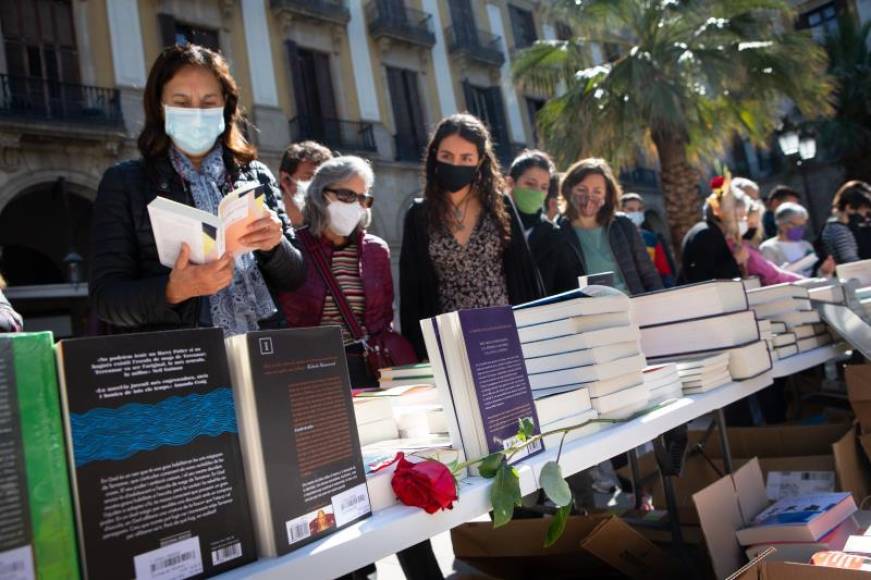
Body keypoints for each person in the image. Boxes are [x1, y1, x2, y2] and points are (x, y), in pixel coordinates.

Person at [90, 44, 304, 335]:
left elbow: (295, 277)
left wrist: (275, 246)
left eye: (207, 102)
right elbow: (106, 299)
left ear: (225, 106)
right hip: (183, 362)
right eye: (181, 102)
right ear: (160, 107)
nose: (196, 113)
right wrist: (173, 290)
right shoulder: (125, 183)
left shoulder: (257, 176)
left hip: (262, 350)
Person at [400, 113, 544, 359]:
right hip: (450, 345)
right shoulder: (419, 215)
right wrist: (421, 353)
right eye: (447, 156)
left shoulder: (501, 207)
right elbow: (412, 293)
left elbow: (524, 274)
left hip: (506, 336)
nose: (455, 164)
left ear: (479, 161)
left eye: (466, 158)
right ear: (434, 156)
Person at [277, 156, 392, 388]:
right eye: (347, 195)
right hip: (311, 372)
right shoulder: (293, 247)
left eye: (363, 198)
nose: (356, 205)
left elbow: (384, 322)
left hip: (366, 369)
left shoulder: (376, 251)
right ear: (321, 194)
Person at [530, 158, 662, 296]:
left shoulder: (623, 226)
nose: (589, 197)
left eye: (597, 191)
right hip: (587, 314)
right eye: (582, 190)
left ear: (607, 194)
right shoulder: (556, 233)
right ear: (569, 190)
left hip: (632, 310)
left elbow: (650, 277)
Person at [760, 202, 834, 277]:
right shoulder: (768, 248)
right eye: (797, 225)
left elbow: (814, 275)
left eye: (802, 226)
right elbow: (770, 278)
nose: (800, 229)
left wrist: (824, 271)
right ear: (781, 224)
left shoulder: (806, 245)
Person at [620, 193, 676, 287]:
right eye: (631, 210)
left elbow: (664, 272)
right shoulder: (612, 238)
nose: (636, 213)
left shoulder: (651, 238)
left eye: (639, 209)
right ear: (620, 211)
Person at [278, 140, 333, 226]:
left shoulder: (334, 234)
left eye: (326, 180)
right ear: (285, 180)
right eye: (311, 177)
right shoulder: (268, 228)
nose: (321, 186)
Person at [505, 149, 556, 237]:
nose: (537, 191)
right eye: (530, 184)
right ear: (510, 183)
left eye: (544, 187)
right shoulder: (490, 225)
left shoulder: (552, 234)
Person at [821, 180, 871, 264]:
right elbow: (852, 262)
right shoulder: (838, 229)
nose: (865, 216)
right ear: (849, 207)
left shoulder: (840, 227)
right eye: (864, 210)